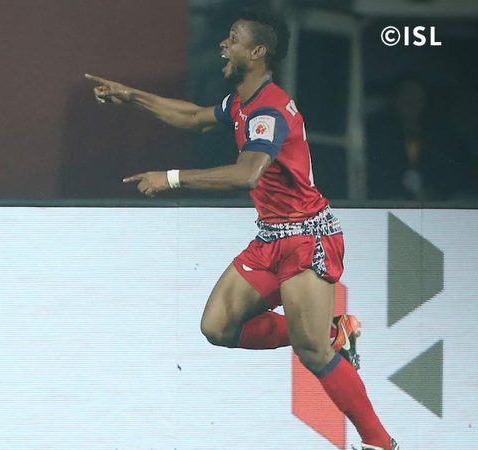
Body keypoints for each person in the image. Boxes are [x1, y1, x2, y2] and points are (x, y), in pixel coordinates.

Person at [87, 10, 398, 450]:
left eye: (233, 38)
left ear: (257, 52)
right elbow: (194, 117)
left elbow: (247, 173)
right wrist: (131, 96)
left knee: (313, 355)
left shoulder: (268, 109)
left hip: (306, 237)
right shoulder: (241, 102)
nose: (223, 45)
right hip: (272, 236)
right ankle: (331, 330)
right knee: (218, 327)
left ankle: (380, 444)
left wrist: (171, 178)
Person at [366, 75, 469, 201]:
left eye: (418, 95)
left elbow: (455, 172)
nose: (412, 101)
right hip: (392, 201)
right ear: (395, 99)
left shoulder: (442, 135)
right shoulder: (377, 134)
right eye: (406, 94)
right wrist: (404, 192)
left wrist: (433, 191)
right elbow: (374, 175)